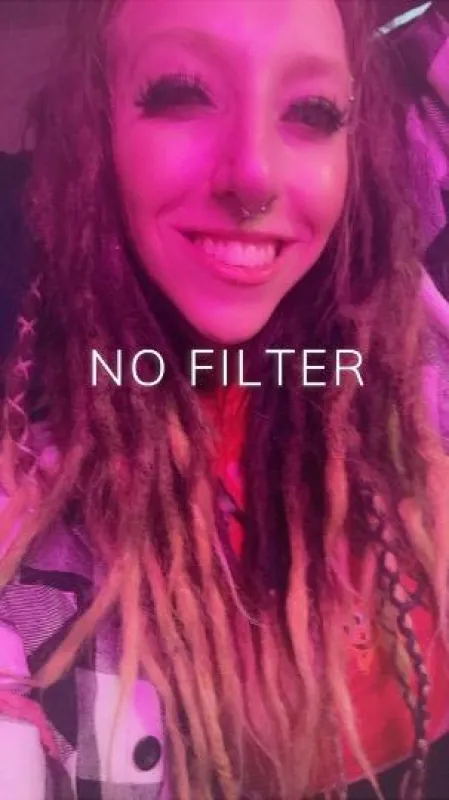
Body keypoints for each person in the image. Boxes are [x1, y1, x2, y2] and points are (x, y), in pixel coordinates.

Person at [1, 1, 449, 798]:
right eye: (180, 92)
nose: (253, 175)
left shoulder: (414, 385)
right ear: (95, 130)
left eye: (313, 110)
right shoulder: (38, 532)